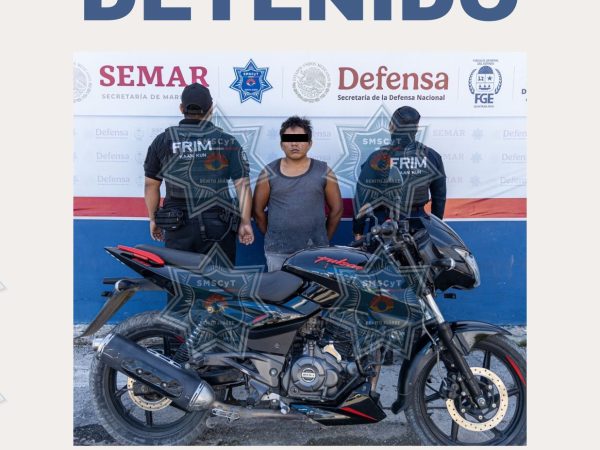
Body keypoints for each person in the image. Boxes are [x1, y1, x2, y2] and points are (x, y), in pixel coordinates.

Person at [143, 83, 254, 265]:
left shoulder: (162, 141)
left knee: (180, 280)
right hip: (218, 226)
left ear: (181, 108)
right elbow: (242, 185)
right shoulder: (227, 141)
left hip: (177, 226)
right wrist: (246, 222)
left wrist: (153, 219)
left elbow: (151, 185)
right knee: (218, 281)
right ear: (211, 110)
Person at [253, 116, 344, 272]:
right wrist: (272, 236)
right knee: (279, 288)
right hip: (278, 252)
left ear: (310, 143)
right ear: (281, 144)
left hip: (315, 253)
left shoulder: (324, 171)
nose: (294, 144)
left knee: (315, 288)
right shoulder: (268, 172)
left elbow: (337, 210)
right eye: (289, 139)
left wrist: (322, 240)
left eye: (300, 139)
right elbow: (257, 211)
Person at [352, 106, 446, 241]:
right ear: (416, 128)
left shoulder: (377, 158)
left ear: (391, 126)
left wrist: (358, 231)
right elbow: (439, 198)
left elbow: (362, 198)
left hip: (385, 225)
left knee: (381, 255)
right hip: (419, 224)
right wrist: (435, 229)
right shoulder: (432, 156)